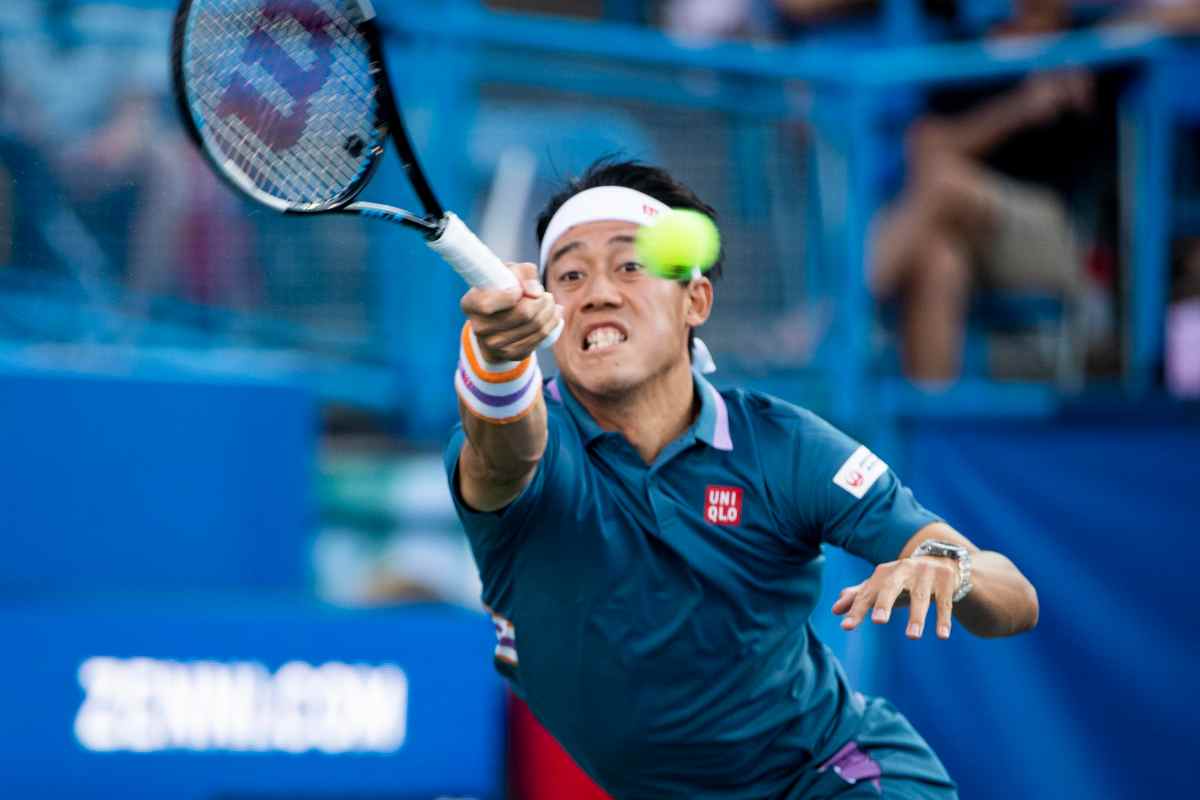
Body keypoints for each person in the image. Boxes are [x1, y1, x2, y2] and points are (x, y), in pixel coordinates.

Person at [443, 159, 1039, 799]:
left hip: (837, 778)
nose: (598, 292)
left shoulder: (784, 447)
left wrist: (954, 567)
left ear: (694, 299)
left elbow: (1016, 600)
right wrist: (498, 358)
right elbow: (506, 450)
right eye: (569, 274)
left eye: (630, 266)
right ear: (549, 312)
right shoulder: (521, 450)